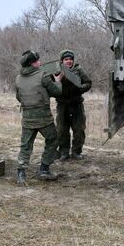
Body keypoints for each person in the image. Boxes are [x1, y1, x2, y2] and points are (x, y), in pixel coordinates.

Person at [15, 50, 63, 185]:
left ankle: (21, 174)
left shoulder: (18, 78)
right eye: (37, 61)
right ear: (32, 63)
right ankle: (44, 169)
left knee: (25, 146)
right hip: (43, 118)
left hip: (27, 118)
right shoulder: (43, 75)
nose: (40, 62)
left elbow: (18, 97)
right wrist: (58, 81)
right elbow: (57, 92)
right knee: (53, 139)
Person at [56, 49, 92, 160]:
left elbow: (88, 83)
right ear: (62, 61)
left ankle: (76, 152)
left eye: (71, 59)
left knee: (79, 129)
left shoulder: (78, 70)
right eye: (66, 59)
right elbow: (51, 86)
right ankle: (64, 152)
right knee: (62, 130)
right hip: (62, 105)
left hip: (76, 105)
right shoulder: (56, 71)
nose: (69, 61)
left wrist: (81, 88)